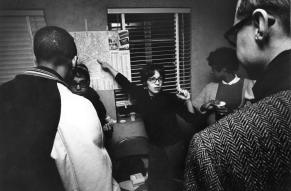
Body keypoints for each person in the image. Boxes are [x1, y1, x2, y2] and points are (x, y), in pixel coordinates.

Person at [184, 0, 291, 190]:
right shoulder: (211, 88)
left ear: (259, 25)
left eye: (234, 35)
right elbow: (194, 114)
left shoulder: (210, 148)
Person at [0, 26, 119, 191]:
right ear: (74, 60)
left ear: (35, 59)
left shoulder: (3, 92)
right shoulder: (76, 106)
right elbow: (94, 181)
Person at [99, 60, 195, 191]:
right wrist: (109, 67)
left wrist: (188, 100)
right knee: (155, 183)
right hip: (155, 146)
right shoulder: (141, 95)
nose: (157, 83)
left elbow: (191, 118)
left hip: (174, 147)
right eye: (152, 79)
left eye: (160, 79)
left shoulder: (169, 98)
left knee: (171, 182)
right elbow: (125, 83)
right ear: (146, 81)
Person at [192, 47, 254, 125]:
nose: (211, 71)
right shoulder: (210, 88)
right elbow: (194, 109)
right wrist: (204, 106)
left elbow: (255, 113)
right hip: (213, 132)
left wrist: (231, 112)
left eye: (213, 68)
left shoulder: (248, 84)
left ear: (224, 68)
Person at [70, 63, 114, 139]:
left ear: (88, 83)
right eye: (74, 83)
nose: (78, 87)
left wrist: (106, 130)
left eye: (82, 83)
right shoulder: (64, 101)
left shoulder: (94, 100)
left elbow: (104, 123)